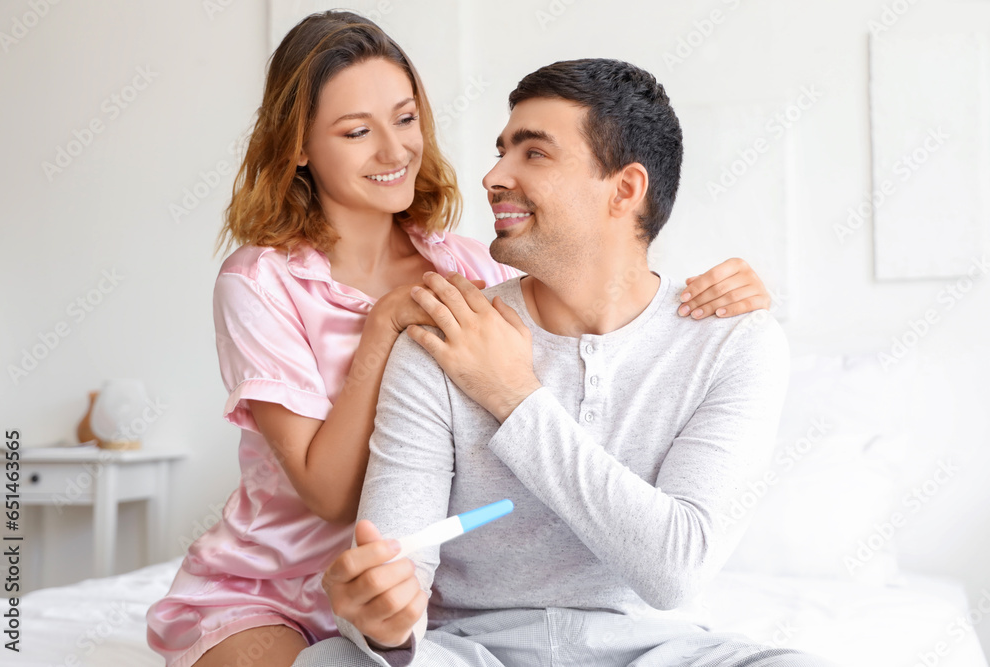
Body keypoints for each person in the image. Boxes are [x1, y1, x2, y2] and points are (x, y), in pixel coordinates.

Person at [146, 12, 775, 667]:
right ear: (299, 146)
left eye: (407, 119)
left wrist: (731, 295)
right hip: (280, 582)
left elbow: (584, 281)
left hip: (413, 596)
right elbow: (329, 495)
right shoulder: (262, 280)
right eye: (358, 131)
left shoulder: (471, 267)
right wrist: (384, 327)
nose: (394, 151)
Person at [295, 58, 837, 667]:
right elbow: (396, 569)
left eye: (534, 154)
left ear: (625, 189)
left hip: (657, 652)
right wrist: (381, 623)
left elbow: (677, 569)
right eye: (501, 151)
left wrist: (513, 397)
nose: (493, 176)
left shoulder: (732, 341)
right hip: (473, 654)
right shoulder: (447, 332)